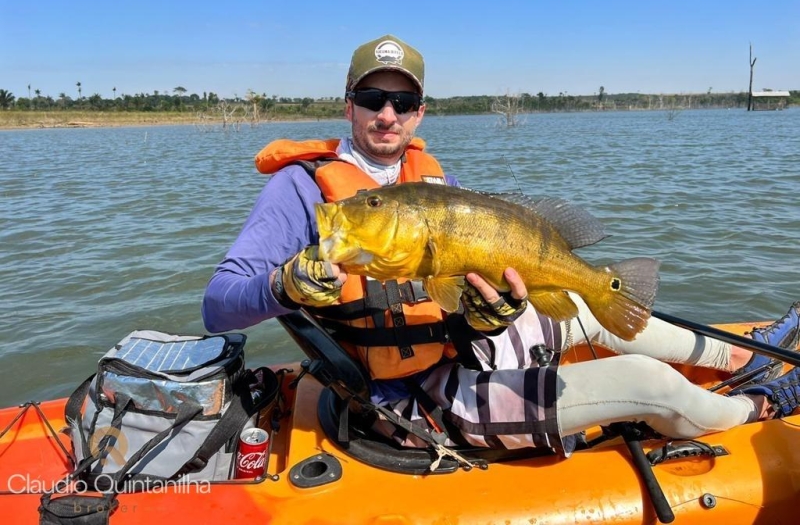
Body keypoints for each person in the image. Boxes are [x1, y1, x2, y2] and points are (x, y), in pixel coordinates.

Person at [202, 34, 800, 455]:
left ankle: (741, 358)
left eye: (403, 103)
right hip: (416, 399)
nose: (388, 115)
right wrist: (282, 284)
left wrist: (492, 317)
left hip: (460, 351)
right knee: (649, 382)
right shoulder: (303, 192)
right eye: (373, 99)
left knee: (590, 309)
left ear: (419, 112)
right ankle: (762, 407)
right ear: (348, 104)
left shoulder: (435, 184)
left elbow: (471, 298)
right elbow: (218, 303)